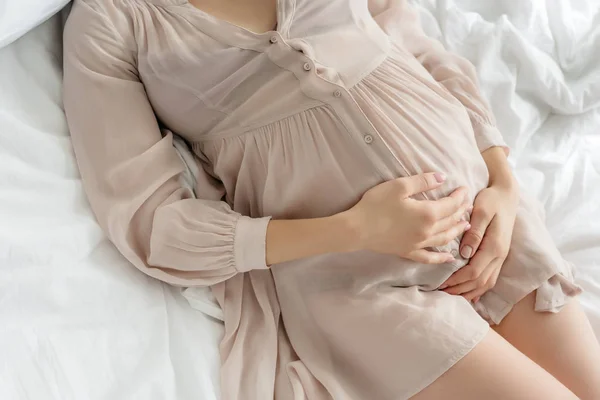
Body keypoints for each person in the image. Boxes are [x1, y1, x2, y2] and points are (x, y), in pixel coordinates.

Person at [62, 0, 600, 398]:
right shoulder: (112, 19)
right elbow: (150, 222)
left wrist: (503, 183)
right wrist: (356, 230)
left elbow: (418, 49)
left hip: (482, 218)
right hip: (353, 281)